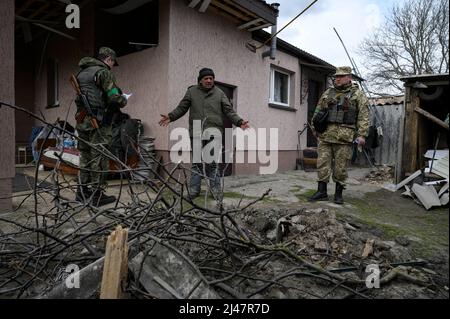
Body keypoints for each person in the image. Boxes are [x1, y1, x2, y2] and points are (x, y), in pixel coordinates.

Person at [159, 68, 250, 199]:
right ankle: (194, 190)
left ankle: (215, 190)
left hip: (214, 133)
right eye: (206, 78)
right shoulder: (192, 92)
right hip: (196, 131)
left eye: (211, 78)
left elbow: (229, 111)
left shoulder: (219, 93)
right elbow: (182, 108)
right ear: (200, 80)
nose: (209, 80)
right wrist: (171, 116)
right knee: (196, 163)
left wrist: (239, 121)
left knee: (212, 163)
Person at [74, 47, 128, 206]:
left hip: (82, 121)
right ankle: (97, 194)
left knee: (85, 156)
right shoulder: (103, 72)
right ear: (109, 59)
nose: (112, 65)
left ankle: (82, 192)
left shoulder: (81, 73)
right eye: (112, 62)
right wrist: (123, 99)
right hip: (98, 122)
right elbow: (113, 97)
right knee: (100, 155)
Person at [309, 66, 370, 204]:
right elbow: (318, 111)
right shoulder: (327, 93)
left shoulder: (357, 95)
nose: (337, 79)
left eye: (340, 76)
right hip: (325, 136)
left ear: (349, 77)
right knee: (322, 164)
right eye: (336, 77)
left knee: (340, 167)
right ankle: (321, 192)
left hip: (344, 137)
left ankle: (338, 194)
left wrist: (362, 135)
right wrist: (315, 128)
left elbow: (364, 116)